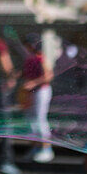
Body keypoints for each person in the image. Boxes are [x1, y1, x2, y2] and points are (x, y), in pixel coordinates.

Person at [20, 33, 54, 163]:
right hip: (32, 92)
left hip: (41, 91)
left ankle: (46, 149)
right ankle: (35, 147)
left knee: (40, 119)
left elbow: (48, 75)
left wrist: (33, 83)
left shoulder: (40, 58)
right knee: (31, 120)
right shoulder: (30, 58)